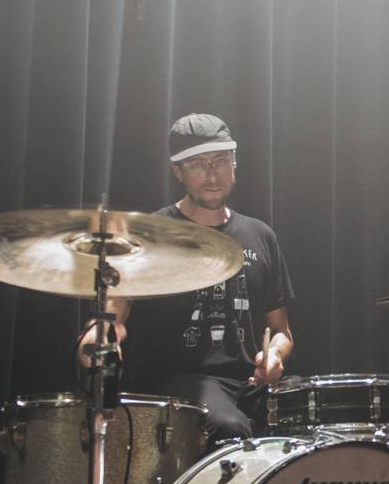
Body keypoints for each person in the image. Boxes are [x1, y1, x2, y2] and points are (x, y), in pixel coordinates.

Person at [83, 113, 295, 443]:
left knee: (312, 422)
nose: (212, 175)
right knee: (229, 428)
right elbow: (113, 313)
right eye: (198, 164)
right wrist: (100, 334)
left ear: (235, 164)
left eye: (221, 161)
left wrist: (274, 355)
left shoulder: (260, 235)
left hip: (252, 383)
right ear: (177, 171)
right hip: (183, 383)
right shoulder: (153, 234)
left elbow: (281, 331)